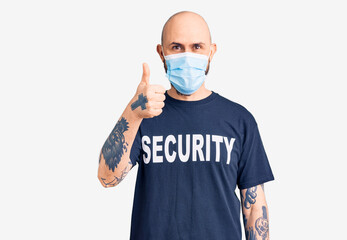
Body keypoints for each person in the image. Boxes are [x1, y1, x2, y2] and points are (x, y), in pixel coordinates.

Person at [98, 10, 275, 240]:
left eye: (197, 47)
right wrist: (132, 113)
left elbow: (253, 208)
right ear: (161, 53)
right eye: (177, 47)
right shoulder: (144, 114)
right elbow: (106, 177)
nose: (188, 56)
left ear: (212, 51)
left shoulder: (240, 120)